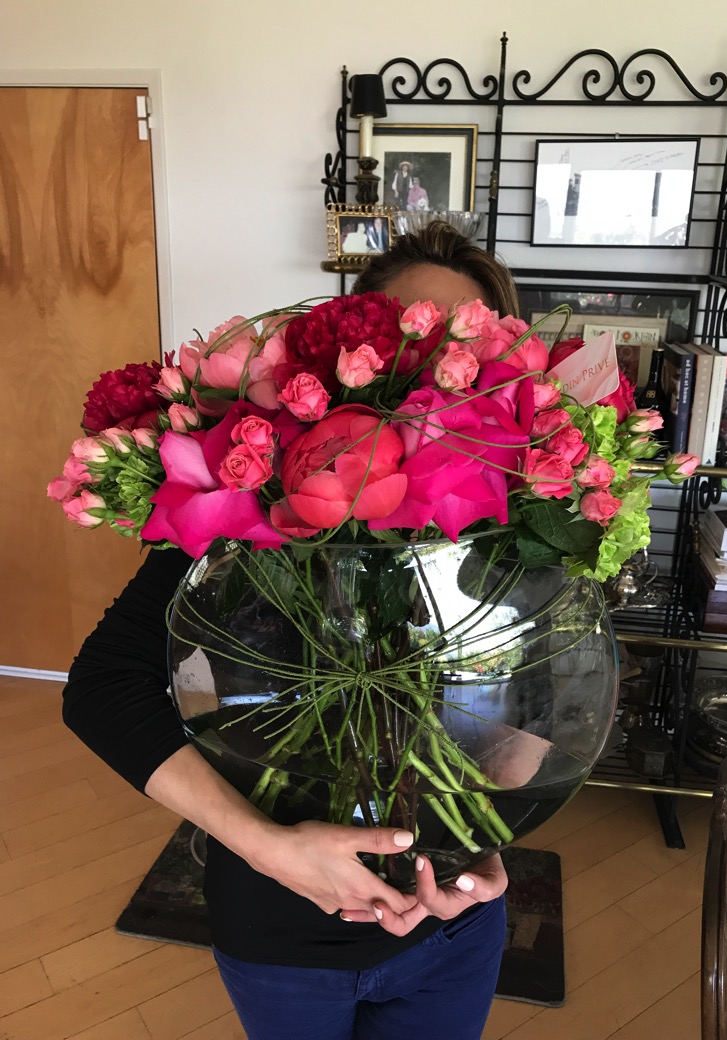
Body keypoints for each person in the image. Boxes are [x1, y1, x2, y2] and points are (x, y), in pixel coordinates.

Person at [62, 223, 520, 1040]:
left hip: (454, 928)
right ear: (348, 353)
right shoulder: (250, 499)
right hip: (277, 929)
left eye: (461, 352)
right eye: (406, 342)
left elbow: (531, 701)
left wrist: (483, 845)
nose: (427, 376)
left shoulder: (507, 515)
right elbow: (104, 687)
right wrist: (268, 848)